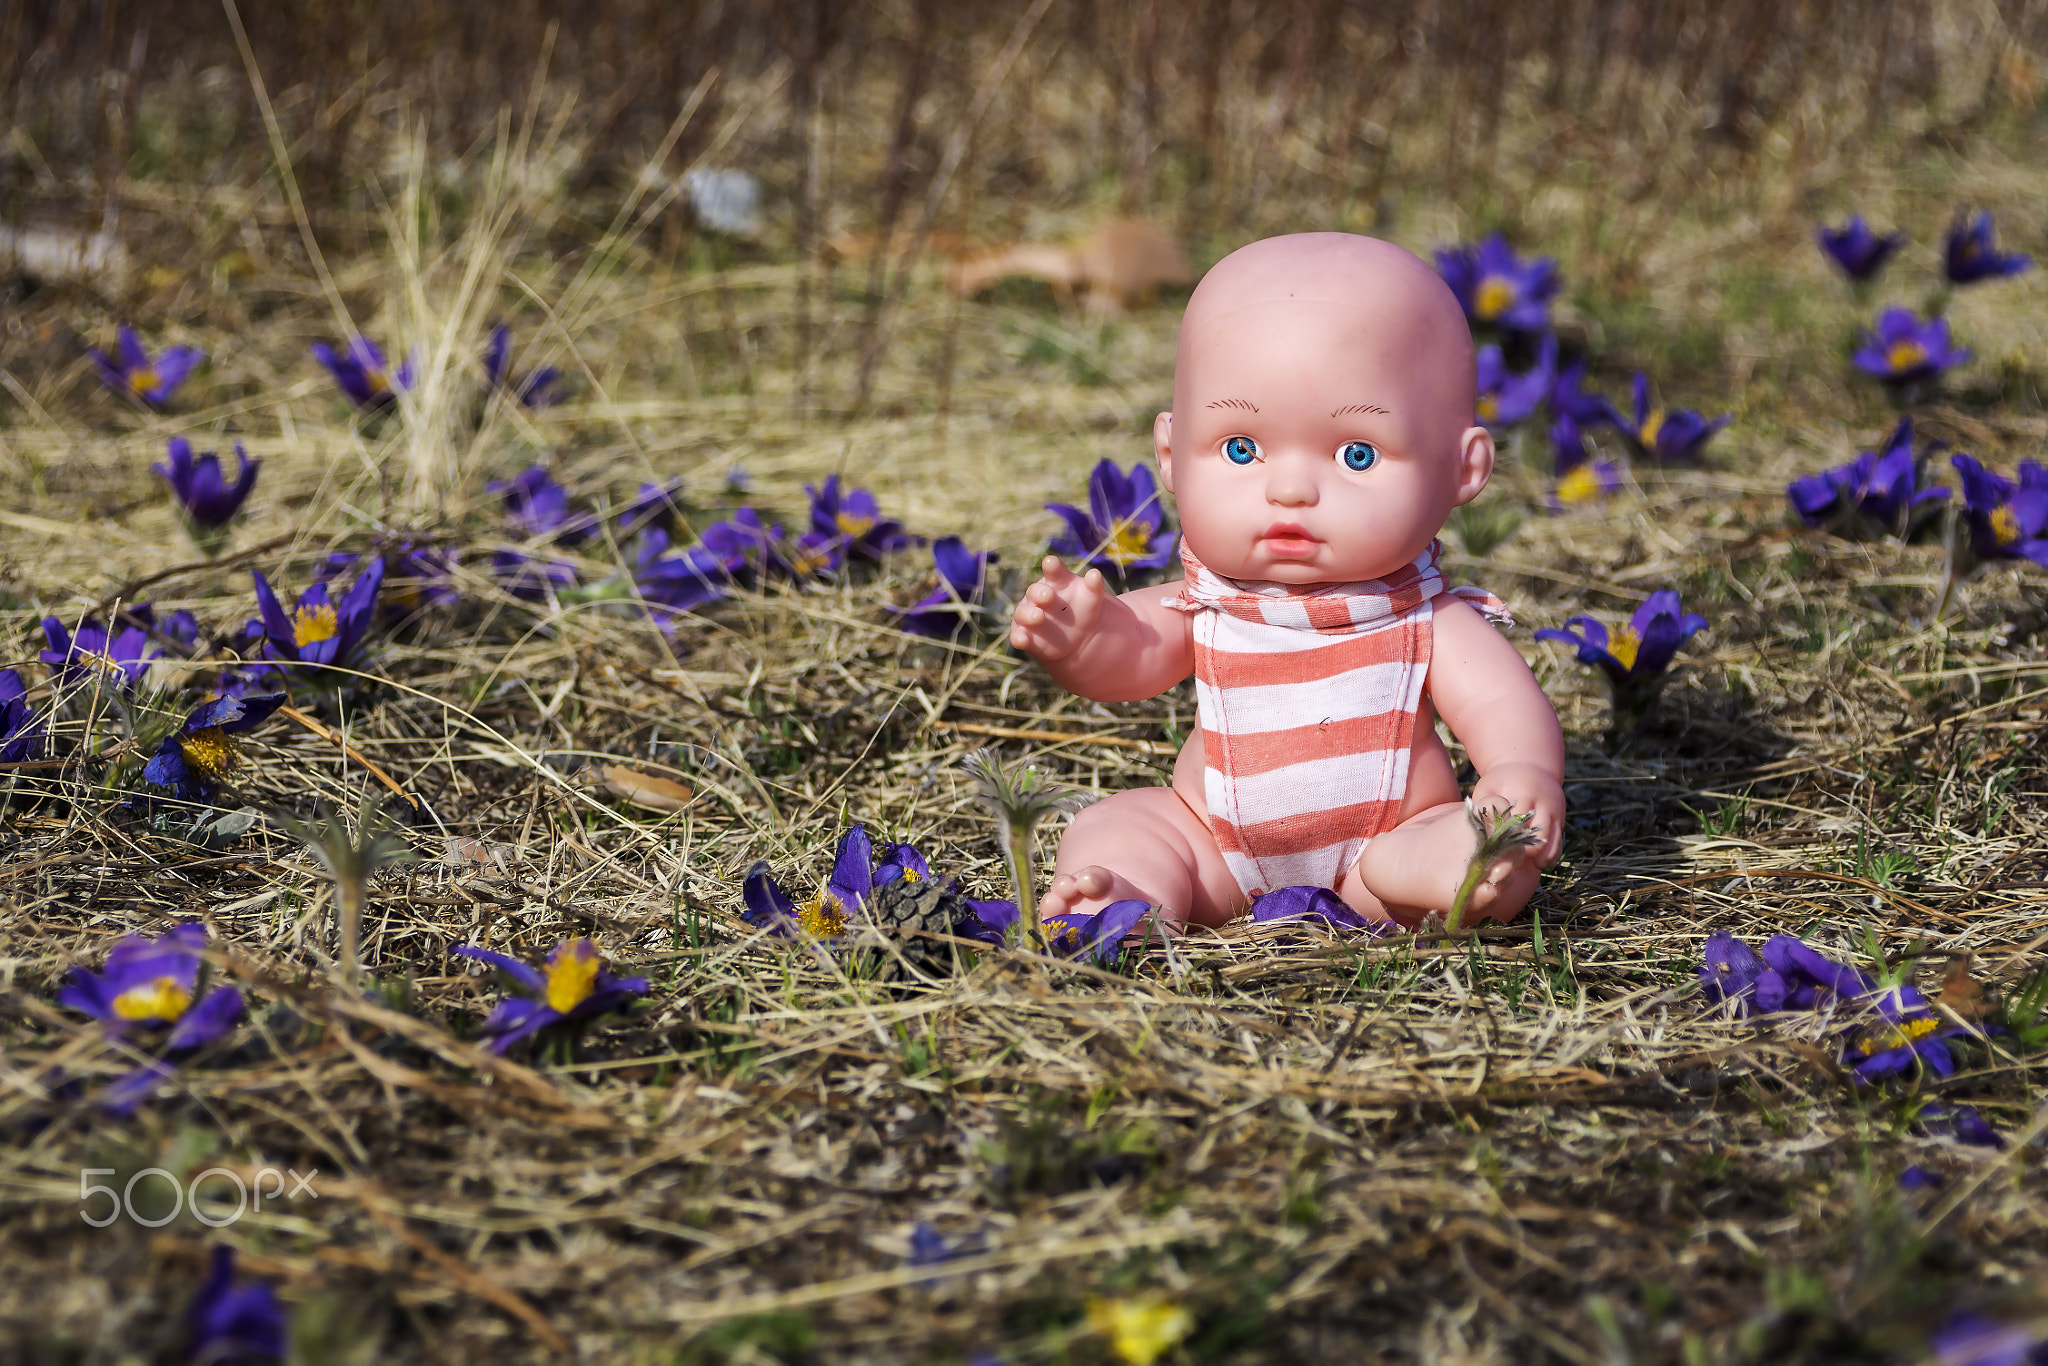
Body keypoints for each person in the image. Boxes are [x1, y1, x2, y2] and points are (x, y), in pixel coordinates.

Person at [1008, 232, 1565, 930]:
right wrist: (1083, 642)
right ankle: (1127, 900)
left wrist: (1522, 775)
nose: (1292, 489)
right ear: (1171, 456)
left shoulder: (1424, 619)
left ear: (1464, 470)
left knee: (1448, 844)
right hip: (1213, 843)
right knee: (1123, 819)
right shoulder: (1207, 603)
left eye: (1357, 454)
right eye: (1242, 449)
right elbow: (1137, 654)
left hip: (1383, 851)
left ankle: (1452, 866)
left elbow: (1497, 703)